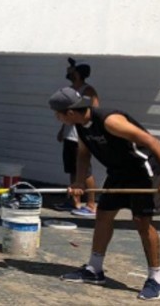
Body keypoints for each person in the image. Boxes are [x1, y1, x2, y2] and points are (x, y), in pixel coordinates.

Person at [48, 87, 160, 301]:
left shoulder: (110, 121)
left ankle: (157, 280)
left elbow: (152, 142)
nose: (56, 117)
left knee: (142, 222)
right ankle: (94, 269)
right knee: (104, 216)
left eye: (57, 113)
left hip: (142, 171)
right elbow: (83, 155)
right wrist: (80, 181)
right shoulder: (81, 126)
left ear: (69, 112)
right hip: (118, 172)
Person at [56, 58, 99, 217]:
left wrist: (90, 133)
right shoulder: (69, 90)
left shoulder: (88, 91)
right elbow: (66, 113)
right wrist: (62, 130)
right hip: (69, 135)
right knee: (72, 170)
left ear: (78, 74)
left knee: (85, 171)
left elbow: (93, 112)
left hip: (80, 137)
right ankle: (76, 202)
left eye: (71, 70)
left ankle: (91, 204)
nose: (68, 72)